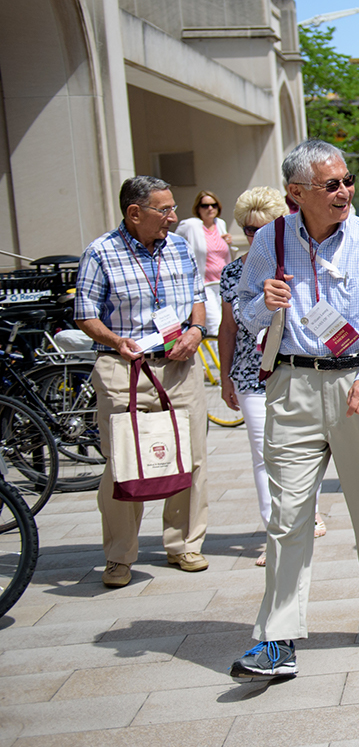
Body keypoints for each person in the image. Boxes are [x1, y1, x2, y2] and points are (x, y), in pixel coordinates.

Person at [228, 139, 359, 681]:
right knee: (286, 516)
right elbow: (244, 311)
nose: (345, 191)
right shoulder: (270, 239)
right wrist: (266, 302)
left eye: (348, 180)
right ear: (296, 192)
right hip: (292, 385)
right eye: (332, 185)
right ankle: (277, 637)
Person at [74, 176, 210, 589]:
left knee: (191, 457)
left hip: (177, 365)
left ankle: (184, 544)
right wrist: (116, 341)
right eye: (164, 209)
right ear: (135, 213)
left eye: (173, 208)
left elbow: (197, 300)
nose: (173, 217)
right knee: (122, 462)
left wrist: (196, 332)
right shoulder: (100, 253)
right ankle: (119, 557)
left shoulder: (179, 247)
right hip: (125, 368)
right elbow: (85, 312)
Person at [217, 187, 325, 568]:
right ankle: (275, 532)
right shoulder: (232, 272)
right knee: (264, 455)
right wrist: (225, 376)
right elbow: (227, 328)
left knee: (301, 451)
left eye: (262, 228)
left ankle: (305, 512)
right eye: (248, 229)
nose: (254, 235)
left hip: (293, 367)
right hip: (250, 371)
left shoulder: (296, 261)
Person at [175, 189, 233, 336]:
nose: (210, 209)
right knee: (214, 323)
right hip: (204, 284)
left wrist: (229, 244)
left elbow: (223, 255)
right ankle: (213, 359)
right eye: (205, 206)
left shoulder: (220, 224)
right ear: (198, 208)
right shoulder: (190, 225)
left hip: (222, 283)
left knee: (228, 322)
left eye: (213, 205)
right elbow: (174, 244)